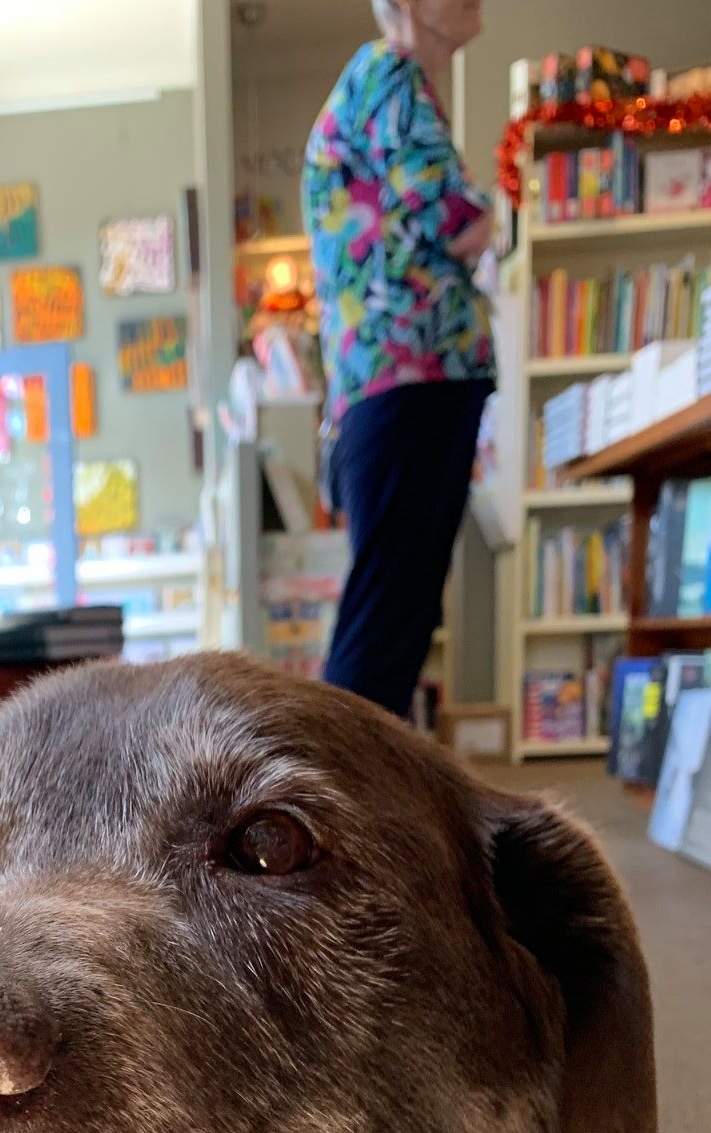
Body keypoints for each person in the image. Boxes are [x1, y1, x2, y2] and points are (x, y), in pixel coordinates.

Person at [303, 0, 494, 718]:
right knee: (386, 619)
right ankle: (340, 808)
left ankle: (349, 803)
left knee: (395, 614)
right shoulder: (389, 72)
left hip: (404, 384)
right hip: (407, 379)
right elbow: (458, 217)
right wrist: (498, 217)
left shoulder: (393, 82)